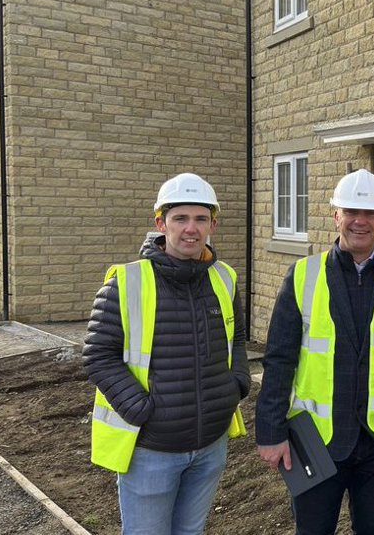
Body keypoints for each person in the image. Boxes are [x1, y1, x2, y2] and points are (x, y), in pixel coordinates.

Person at [255, 168, 374, 535]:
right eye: (351, 212)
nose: (360, 221)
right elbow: (279, 357)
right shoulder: (303, 275)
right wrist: (270, 431)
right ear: (336, 216)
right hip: (313, 438)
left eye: (370, 214)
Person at [84, 173, 250, 535]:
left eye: (200, 219)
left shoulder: (224, 278)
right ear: (161, 223)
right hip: (151, 449)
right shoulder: (126, 282)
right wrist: (141, 409)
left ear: (212, 225)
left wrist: (235, 385)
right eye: (180, 218)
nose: (191, 229)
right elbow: (98, 354)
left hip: (210, 445)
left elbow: (236, 338)